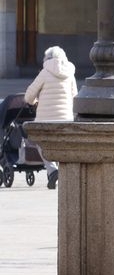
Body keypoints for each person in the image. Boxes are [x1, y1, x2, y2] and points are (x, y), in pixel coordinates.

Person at [23, 45, 78, 190]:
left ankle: (52, 170)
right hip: (66, 118)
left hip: (45, 119)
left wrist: (34, 102)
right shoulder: (70, 73)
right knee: (63, 143)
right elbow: (75, 96)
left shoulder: (45, 72)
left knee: (41, 142)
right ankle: (60, 172)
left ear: (47, 59)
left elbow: (29, 96)